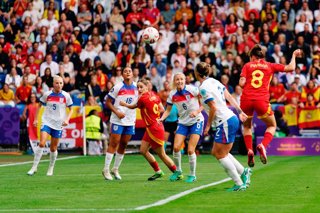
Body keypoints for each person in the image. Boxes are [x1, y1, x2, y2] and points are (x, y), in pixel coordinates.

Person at [239, 44, 301, 167]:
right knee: (272, 125)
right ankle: (263, 145)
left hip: (246, 99)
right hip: (261, 100)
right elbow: (291, 67)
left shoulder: (247, 66)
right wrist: (294, 55)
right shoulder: (269, 65)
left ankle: (250, 150)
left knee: (247, 127)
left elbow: (241, 84)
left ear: (252, 57)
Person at [194, 62, 251, 191]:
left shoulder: (203, 88)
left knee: (220, 154)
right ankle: (243, 172)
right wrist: (240, 111)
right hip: (230, 118)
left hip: (224, 121)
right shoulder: (214, 81)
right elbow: (229, 96)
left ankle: (238, 183)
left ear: (197, 73)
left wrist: (207, 125)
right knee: (217, 151)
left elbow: (213, 107)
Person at [120, 78, 179, 181]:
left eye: (141, 87)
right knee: (143, 150)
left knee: (161, 154)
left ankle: (177, 172)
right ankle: (158, 171)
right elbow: (161, 109)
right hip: (152, 126)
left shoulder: (142, 98)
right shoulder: (154, 95)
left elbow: (133, 106)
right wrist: (153, 114)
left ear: (147, 87)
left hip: (154, 128)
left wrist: (124, 104)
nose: (139, 89)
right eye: (138, 87)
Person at [159, 73, 204, 183]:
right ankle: (178, 172)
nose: (179, 81)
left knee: (190, 150)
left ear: (185, 80)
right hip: (183, 122)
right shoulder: (172, 94)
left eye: (181, 79)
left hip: (196, 121)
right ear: (174, 81)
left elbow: (205, 103)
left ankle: (192, 175)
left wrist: (197, 111)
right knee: (175, 148)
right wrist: (161, 119)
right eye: (177, 79)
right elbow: (168, 110)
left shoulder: (192, 90)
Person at [27, 75, 73, 176]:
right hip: (46, 121)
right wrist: (35, 119)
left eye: (61, 83)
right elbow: (39, 106)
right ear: (53, 84)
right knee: (42, 143)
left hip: (58, 124)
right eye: (57, 83)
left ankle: (51, 168)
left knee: (53, 148)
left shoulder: (66, 96)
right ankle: (34, 167)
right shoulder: (47, 94)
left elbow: (71, 109)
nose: (59, 85)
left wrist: (67, 119)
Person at [102, 67, 138, 181]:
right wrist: (117, 112)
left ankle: (115, 169)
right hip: (118, 119)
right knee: (114, 143)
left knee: (124, 144)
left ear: (132, 74)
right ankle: (106, 169)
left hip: (130, 120)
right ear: (122, 74)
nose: (127, 72)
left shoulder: (137, 87)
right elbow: (108, 102)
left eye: (129, 71)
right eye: (125, 71)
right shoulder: (118, 86)